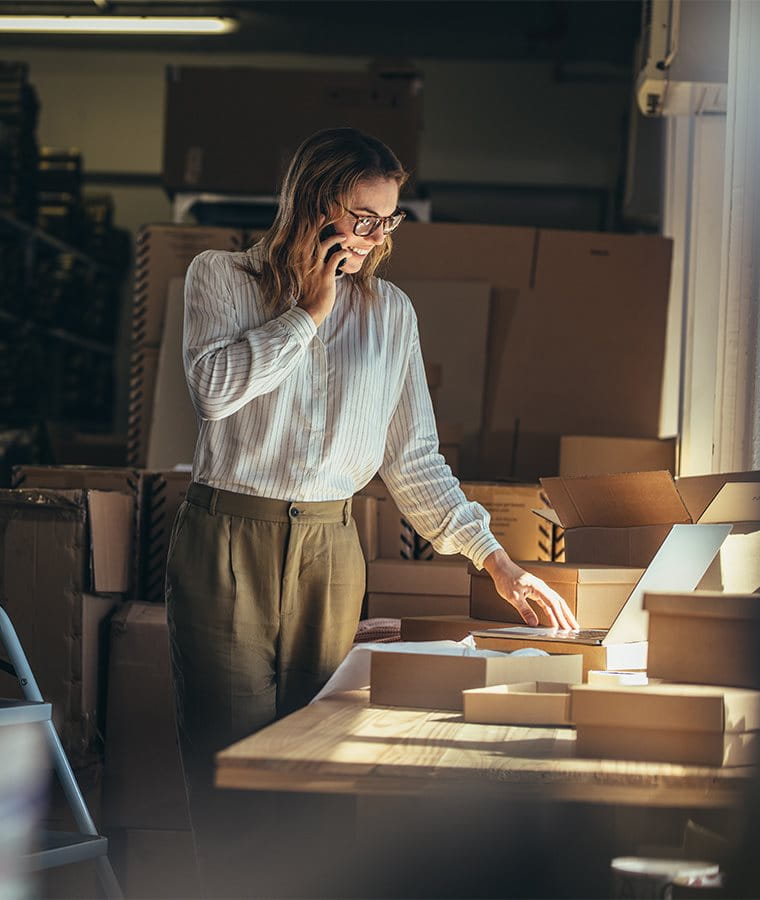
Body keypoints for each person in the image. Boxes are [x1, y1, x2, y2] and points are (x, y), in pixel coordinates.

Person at [164, 126, 578, 896]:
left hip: (330, 546)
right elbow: (214, 394)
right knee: (230, 760)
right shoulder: (221, 276)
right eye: (364, 217)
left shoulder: (391, 314)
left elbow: (413, 458)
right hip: (228, 537)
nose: (377, 237)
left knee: (321, 760)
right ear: (315, 204)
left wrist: (499, 561)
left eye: (389, 220)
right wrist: (308, 314)